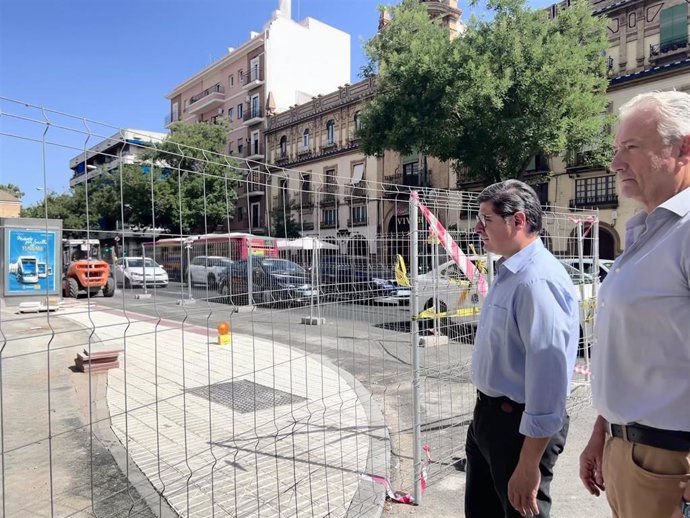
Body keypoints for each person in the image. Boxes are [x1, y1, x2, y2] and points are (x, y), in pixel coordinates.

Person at [579, 91, 690, 518]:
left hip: (671, 464)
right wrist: (604, 431)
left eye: (631, 148)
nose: (615, 164)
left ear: (683, 148)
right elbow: (638, 352)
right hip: (628, 451)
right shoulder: (646, 230)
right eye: (615, 149)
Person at [466, 179, 579, 518]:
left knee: (521, 511)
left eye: (486, 219)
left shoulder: (536, 280)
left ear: (517, 221)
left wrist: (530, 462)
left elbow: (549, 379)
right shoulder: (511, 271)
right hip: (489, 418)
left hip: (517, 428)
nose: (478, 228)